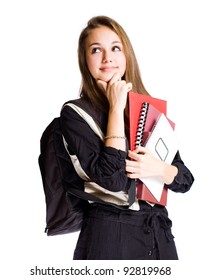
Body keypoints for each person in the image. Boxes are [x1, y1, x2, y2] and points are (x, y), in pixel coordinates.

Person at [60, 15, 194, 260]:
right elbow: (113, 180)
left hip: (158, 235)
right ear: (85, 60)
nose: (107, 57)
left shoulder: (147, 108)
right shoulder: (75, 113)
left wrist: (159, 168)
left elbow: (184, 179)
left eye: (115, 48)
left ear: (126, 55)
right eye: (95, 49)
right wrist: (115, 106)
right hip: (111, 236)